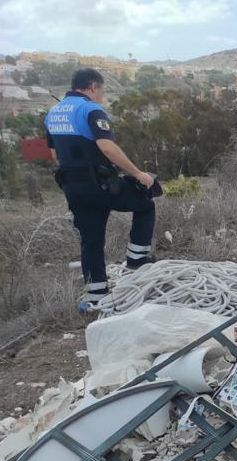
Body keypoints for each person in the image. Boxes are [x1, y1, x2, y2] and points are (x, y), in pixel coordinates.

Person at [44, 68, 160, 313]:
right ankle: (137, 258)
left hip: (72, 188)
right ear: (93, 86)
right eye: (101, 90)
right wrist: (138, 174)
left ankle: (96, 295)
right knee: (145, 203)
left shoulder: (52, 114)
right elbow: (107, 147)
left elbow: (54, 155)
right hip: (99, 184)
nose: (101, 95)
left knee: (91, 240)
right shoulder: (90, 110)